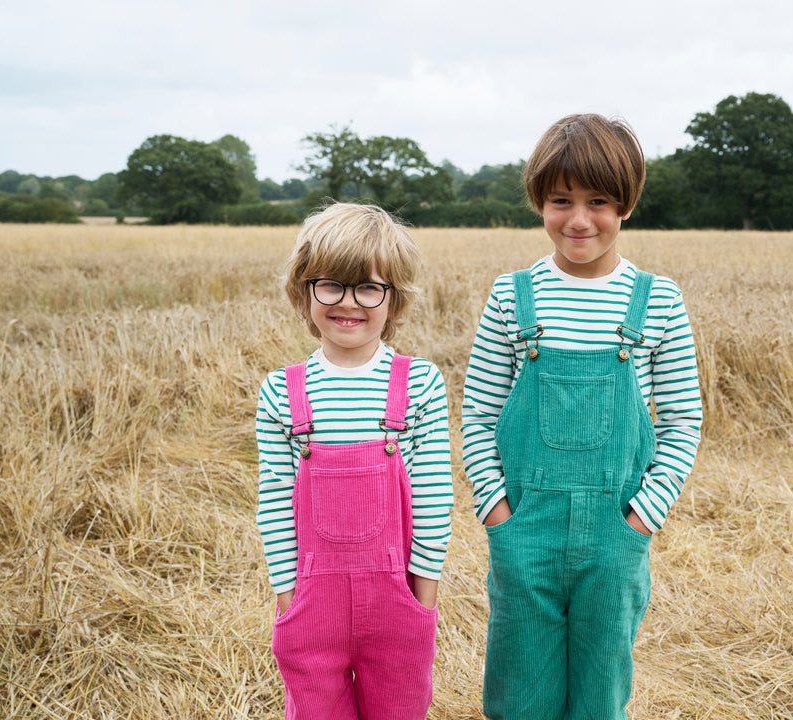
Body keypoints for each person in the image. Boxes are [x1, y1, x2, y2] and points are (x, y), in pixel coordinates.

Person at [462, 113, 703, 719]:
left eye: (598, 201)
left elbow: (680, 421)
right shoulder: (512, 294)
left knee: (600, 697)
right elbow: (479, 414)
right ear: (539, 202)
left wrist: (641, 520)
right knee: (519, 697)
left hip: (615, 535)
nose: (578, 219)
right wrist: (498, 513)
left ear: (626, 204)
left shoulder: (659, 298)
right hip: (525, 532)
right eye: (560, 200)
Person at [256, 202, 452, 719]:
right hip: (309, 607)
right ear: (305, 290)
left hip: (398, 601)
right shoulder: (281, 391)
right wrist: (288, 601)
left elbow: (433, 497)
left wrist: (422, 601)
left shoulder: (420, 385)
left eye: (369, 287)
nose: (349, 303)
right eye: (330, 285)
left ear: (394, 298)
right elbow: (275, 502)